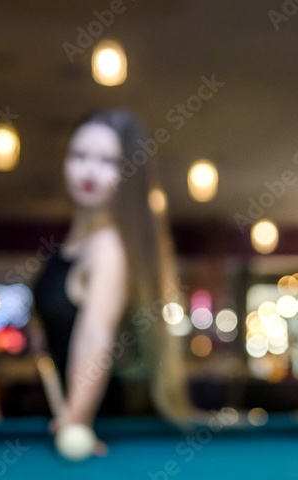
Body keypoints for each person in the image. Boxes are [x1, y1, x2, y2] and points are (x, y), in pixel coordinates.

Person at [32, 108, 192, 458]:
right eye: (80, 156)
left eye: (108, 162)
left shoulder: (108, 246)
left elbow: (95, 336)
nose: (89, 170)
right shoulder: (74, 243)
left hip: (99, 422)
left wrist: (76, 418)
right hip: (70, 414)